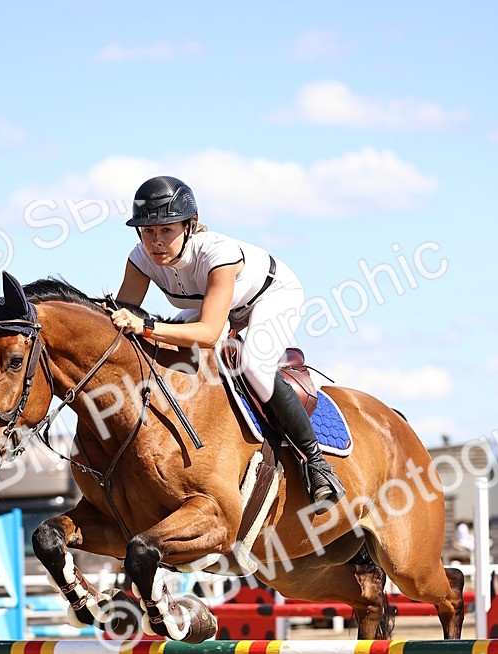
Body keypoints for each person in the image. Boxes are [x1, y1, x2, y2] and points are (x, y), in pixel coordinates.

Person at [111, 175, 345, 506]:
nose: (156, 241)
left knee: (254, 365)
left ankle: (317, 463)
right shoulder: (140, 259)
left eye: (166, 230)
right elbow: (123, 315)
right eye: (148, 231)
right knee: (163, 350)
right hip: (220, 307)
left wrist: (147, 326)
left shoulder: (216, 253)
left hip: (270, 296)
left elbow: (207, 332)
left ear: (190, 225)